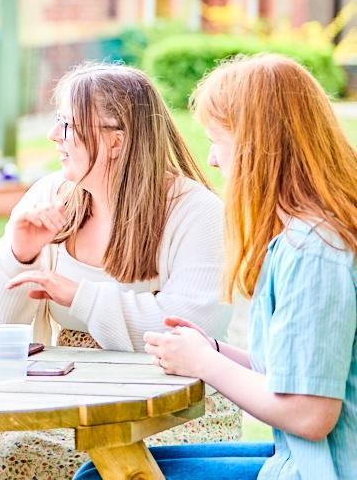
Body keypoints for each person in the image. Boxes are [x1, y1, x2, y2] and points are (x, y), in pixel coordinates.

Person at [76, 54, 357, 480]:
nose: (211, 160)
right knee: (100, 469)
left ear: (256, 146)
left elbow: (309, 414)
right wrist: (214, 350)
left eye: (217, 140)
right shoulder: (310, 236)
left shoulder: (314, 250)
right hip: (303, 457)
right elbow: (298, 370)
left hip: (321, 468)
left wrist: (207, 365)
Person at [0, 63, 241, 478]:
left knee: (94, 464)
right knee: (19, 455)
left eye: (66, 124)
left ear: (115, 140)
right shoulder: (52, 196)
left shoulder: (197, 213)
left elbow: (188, 328)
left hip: (174, 402)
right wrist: (19, 253)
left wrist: (78, 295)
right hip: (70, 393)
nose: (52, 136)